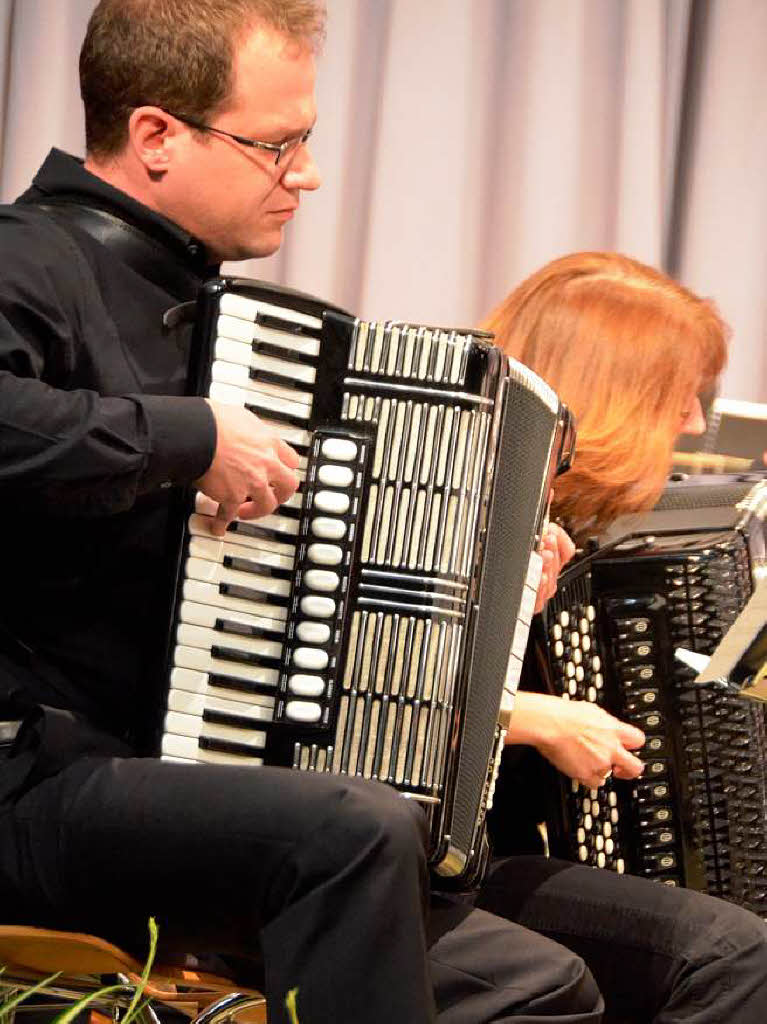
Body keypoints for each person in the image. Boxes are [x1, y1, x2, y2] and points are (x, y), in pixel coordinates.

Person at [0, 3, 612, 1022]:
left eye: (307, 143)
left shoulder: (230, 323)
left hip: (179, 794)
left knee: (538, 986)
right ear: (155, 136)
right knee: (353, 828)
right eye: (275, 144)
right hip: (34, 777)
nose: (306, 175)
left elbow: (323, 584)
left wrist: (485, 585)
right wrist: (189, 438)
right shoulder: (30, 258)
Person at [474, 252, 767, 1022]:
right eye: (679, 395)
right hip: (440, 866)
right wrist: (532, 716)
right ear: (617, 392)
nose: (695, 423)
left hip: (515, 856)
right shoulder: (462, 506)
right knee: (735, 953)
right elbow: (370, 699)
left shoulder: (577, 530)